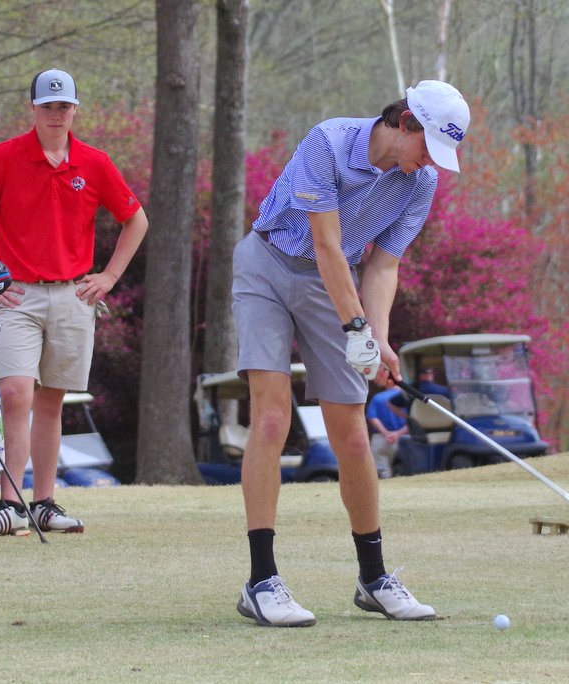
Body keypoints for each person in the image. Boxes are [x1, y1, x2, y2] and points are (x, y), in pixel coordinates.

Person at [232, 80, 470, 626]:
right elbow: (326, 244)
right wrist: (356, 325)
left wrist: (378, 338)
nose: (430, 162)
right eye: (428, 146)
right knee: (272, 419)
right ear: (406, 122)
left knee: (354, 435)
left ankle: (374, 578)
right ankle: (261, 581)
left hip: (330, 289)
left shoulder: (420, 182)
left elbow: (382, 265)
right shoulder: (330, 141)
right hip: (267, 267)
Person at [0, 69, 148, 537]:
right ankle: (10, 504)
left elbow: (136, 220)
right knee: (16, 393)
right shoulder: (4, 157)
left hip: (74, 294)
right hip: (17, 295)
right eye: (48, 106)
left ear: (75, 110)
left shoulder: (94, 163)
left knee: (52, 400)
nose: (56, 114)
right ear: (32, 108)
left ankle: (44, 503)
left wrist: (109, 277)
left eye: (64, 107)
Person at [366, 387, 408, 478]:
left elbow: (372, 417)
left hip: (381, 438)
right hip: (403, 439)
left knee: (383, 472)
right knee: (403, 470)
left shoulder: (377, 397)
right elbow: (413, 420)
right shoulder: (407, 397)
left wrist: (386, 433)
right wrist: (398, 433)